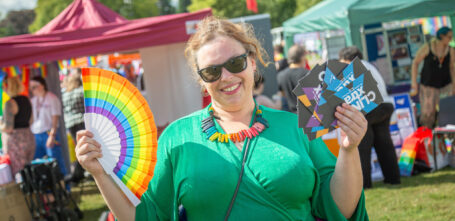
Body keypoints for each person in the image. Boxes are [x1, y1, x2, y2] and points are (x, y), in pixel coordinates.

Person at [75, 16, 369, 220]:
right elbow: (147, 217)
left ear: (252, 63)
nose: (226, 77)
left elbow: (339, 210)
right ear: (202, 81)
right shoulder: (177, 139)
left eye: (236, 63)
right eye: (212, 71)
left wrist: (348, 149)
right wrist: (99, 173)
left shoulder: (296, 127)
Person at [339, 46, 401, 189]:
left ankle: (364, 183)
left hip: (371, 108)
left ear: (346, 59)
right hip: (385, 105)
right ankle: (393, 178)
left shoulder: (353, 67)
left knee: (363, 146)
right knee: (384, 144)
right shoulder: (368, 65)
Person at [411, 27, 455, 128]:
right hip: (428, 86)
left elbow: (452, 68)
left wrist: (454, 86)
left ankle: (448, 138)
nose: (451, 39)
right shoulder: (428, 47)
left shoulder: (451, 50)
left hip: (445, 85)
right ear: (441, 36)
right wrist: (414, 83)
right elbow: (415, 62)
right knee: (427, 114)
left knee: (448, 112)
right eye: (449, 37)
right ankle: (427, 137)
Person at [30, 76, 67, 175]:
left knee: (55, 160)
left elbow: (55, 117)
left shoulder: (52, 98)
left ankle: (64, 187)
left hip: (48, 132)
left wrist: (52, 135)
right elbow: (31, 119)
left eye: (34, 87)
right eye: (31, 87)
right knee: (39, 162)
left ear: (41, 86)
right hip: (36, 134)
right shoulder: (33, 101)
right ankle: (48, 188)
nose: (32, 90)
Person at [0, 76, 35, 175]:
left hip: (16, 141)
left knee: (19, 173)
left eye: (3, 86)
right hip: (29, 137)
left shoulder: (10, 103)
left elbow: (8, 128)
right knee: (29, 171)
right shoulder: (27, 99)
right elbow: (31, 120)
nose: (3, 89)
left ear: (8, 87)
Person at [62, 71, 86, 182]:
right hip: (82, 121)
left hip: (70, 124)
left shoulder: (65, 94)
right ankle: (81, 172)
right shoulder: (81, 91)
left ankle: (79, 172)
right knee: (86, 147)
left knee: (79, 147)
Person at [277, 44, 309, 113]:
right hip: (307, 117)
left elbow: (281, 97)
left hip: (289, 117)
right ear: (302, 57)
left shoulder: (280, 75)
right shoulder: (308, 74)